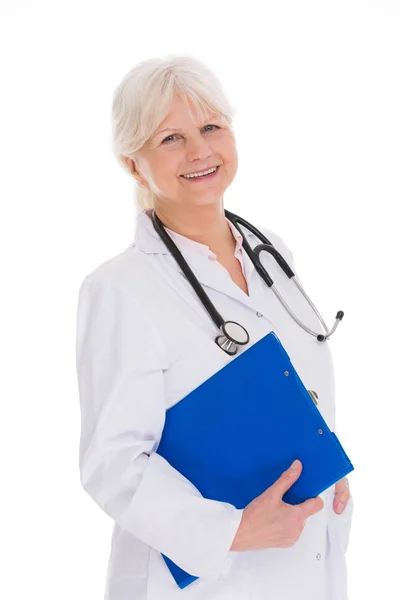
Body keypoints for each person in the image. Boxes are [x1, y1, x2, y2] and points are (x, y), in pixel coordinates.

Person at [75, 54, 354, 600]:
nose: (200, 151)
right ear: (134, 164)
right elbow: (112, 463)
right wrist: (231, 532)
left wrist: (322, 459)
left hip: (307, 551)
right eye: (170, 139)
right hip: (206, 580)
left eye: (210, 127)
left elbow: (293, 390)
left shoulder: (271, 255)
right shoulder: (120, 289)